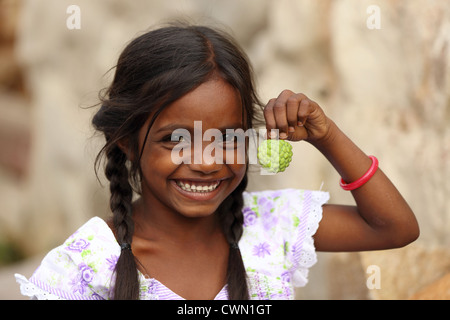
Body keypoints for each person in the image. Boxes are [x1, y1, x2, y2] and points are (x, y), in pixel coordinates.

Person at [15, 23, 419, 300]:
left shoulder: (271, 226)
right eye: (176, 139)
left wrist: (326, 135)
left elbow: (393, 227)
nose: (207, 162)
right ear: (127, 141)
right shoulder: (84, 266)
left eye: (227, 138)